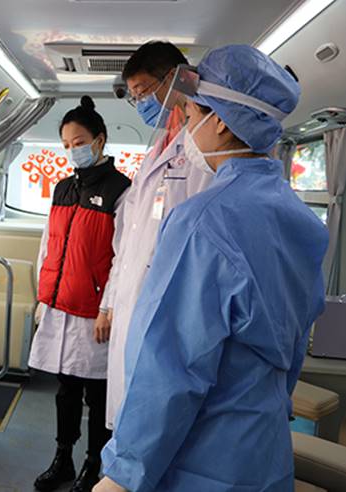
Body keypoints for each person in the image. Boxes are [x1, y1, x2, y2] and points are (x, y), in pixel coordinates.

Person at [94, 45, 329, 492]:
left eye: (190, 112)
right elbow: (294, 345)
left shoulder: (203, 221)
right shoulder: (301, 220)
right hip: (263, 449)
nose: (185, 124)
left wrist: (123, 474)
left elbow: (172, 369)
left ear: (219, 122)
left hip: (203, 457)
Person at [102, 41, 213, 430]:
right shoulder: (155, 151)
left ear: (176, 79)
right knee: (132, 420)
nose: (141, 103)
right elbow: (127, 243)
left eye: (144, 92)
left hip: (167, 309)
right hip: (136, 301)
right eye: (135, 96)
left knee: (157, 424)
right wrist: (111, 302)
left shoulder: (203, 149)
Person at [29, 96, 131, 492]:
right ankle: (63, 459)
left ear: (100, 140)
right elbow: (48, 246)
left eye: (80, 142)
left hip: (94, 310)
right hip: (60, 304)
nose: (73, 151)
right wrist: (43, 297)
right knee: (66, 389)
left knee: (97, 393)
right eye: (67, 145)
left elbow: (124, 256)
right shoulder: (62, 188)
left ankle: (94, 464)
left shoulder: (121, 190)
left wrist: (108, 308)